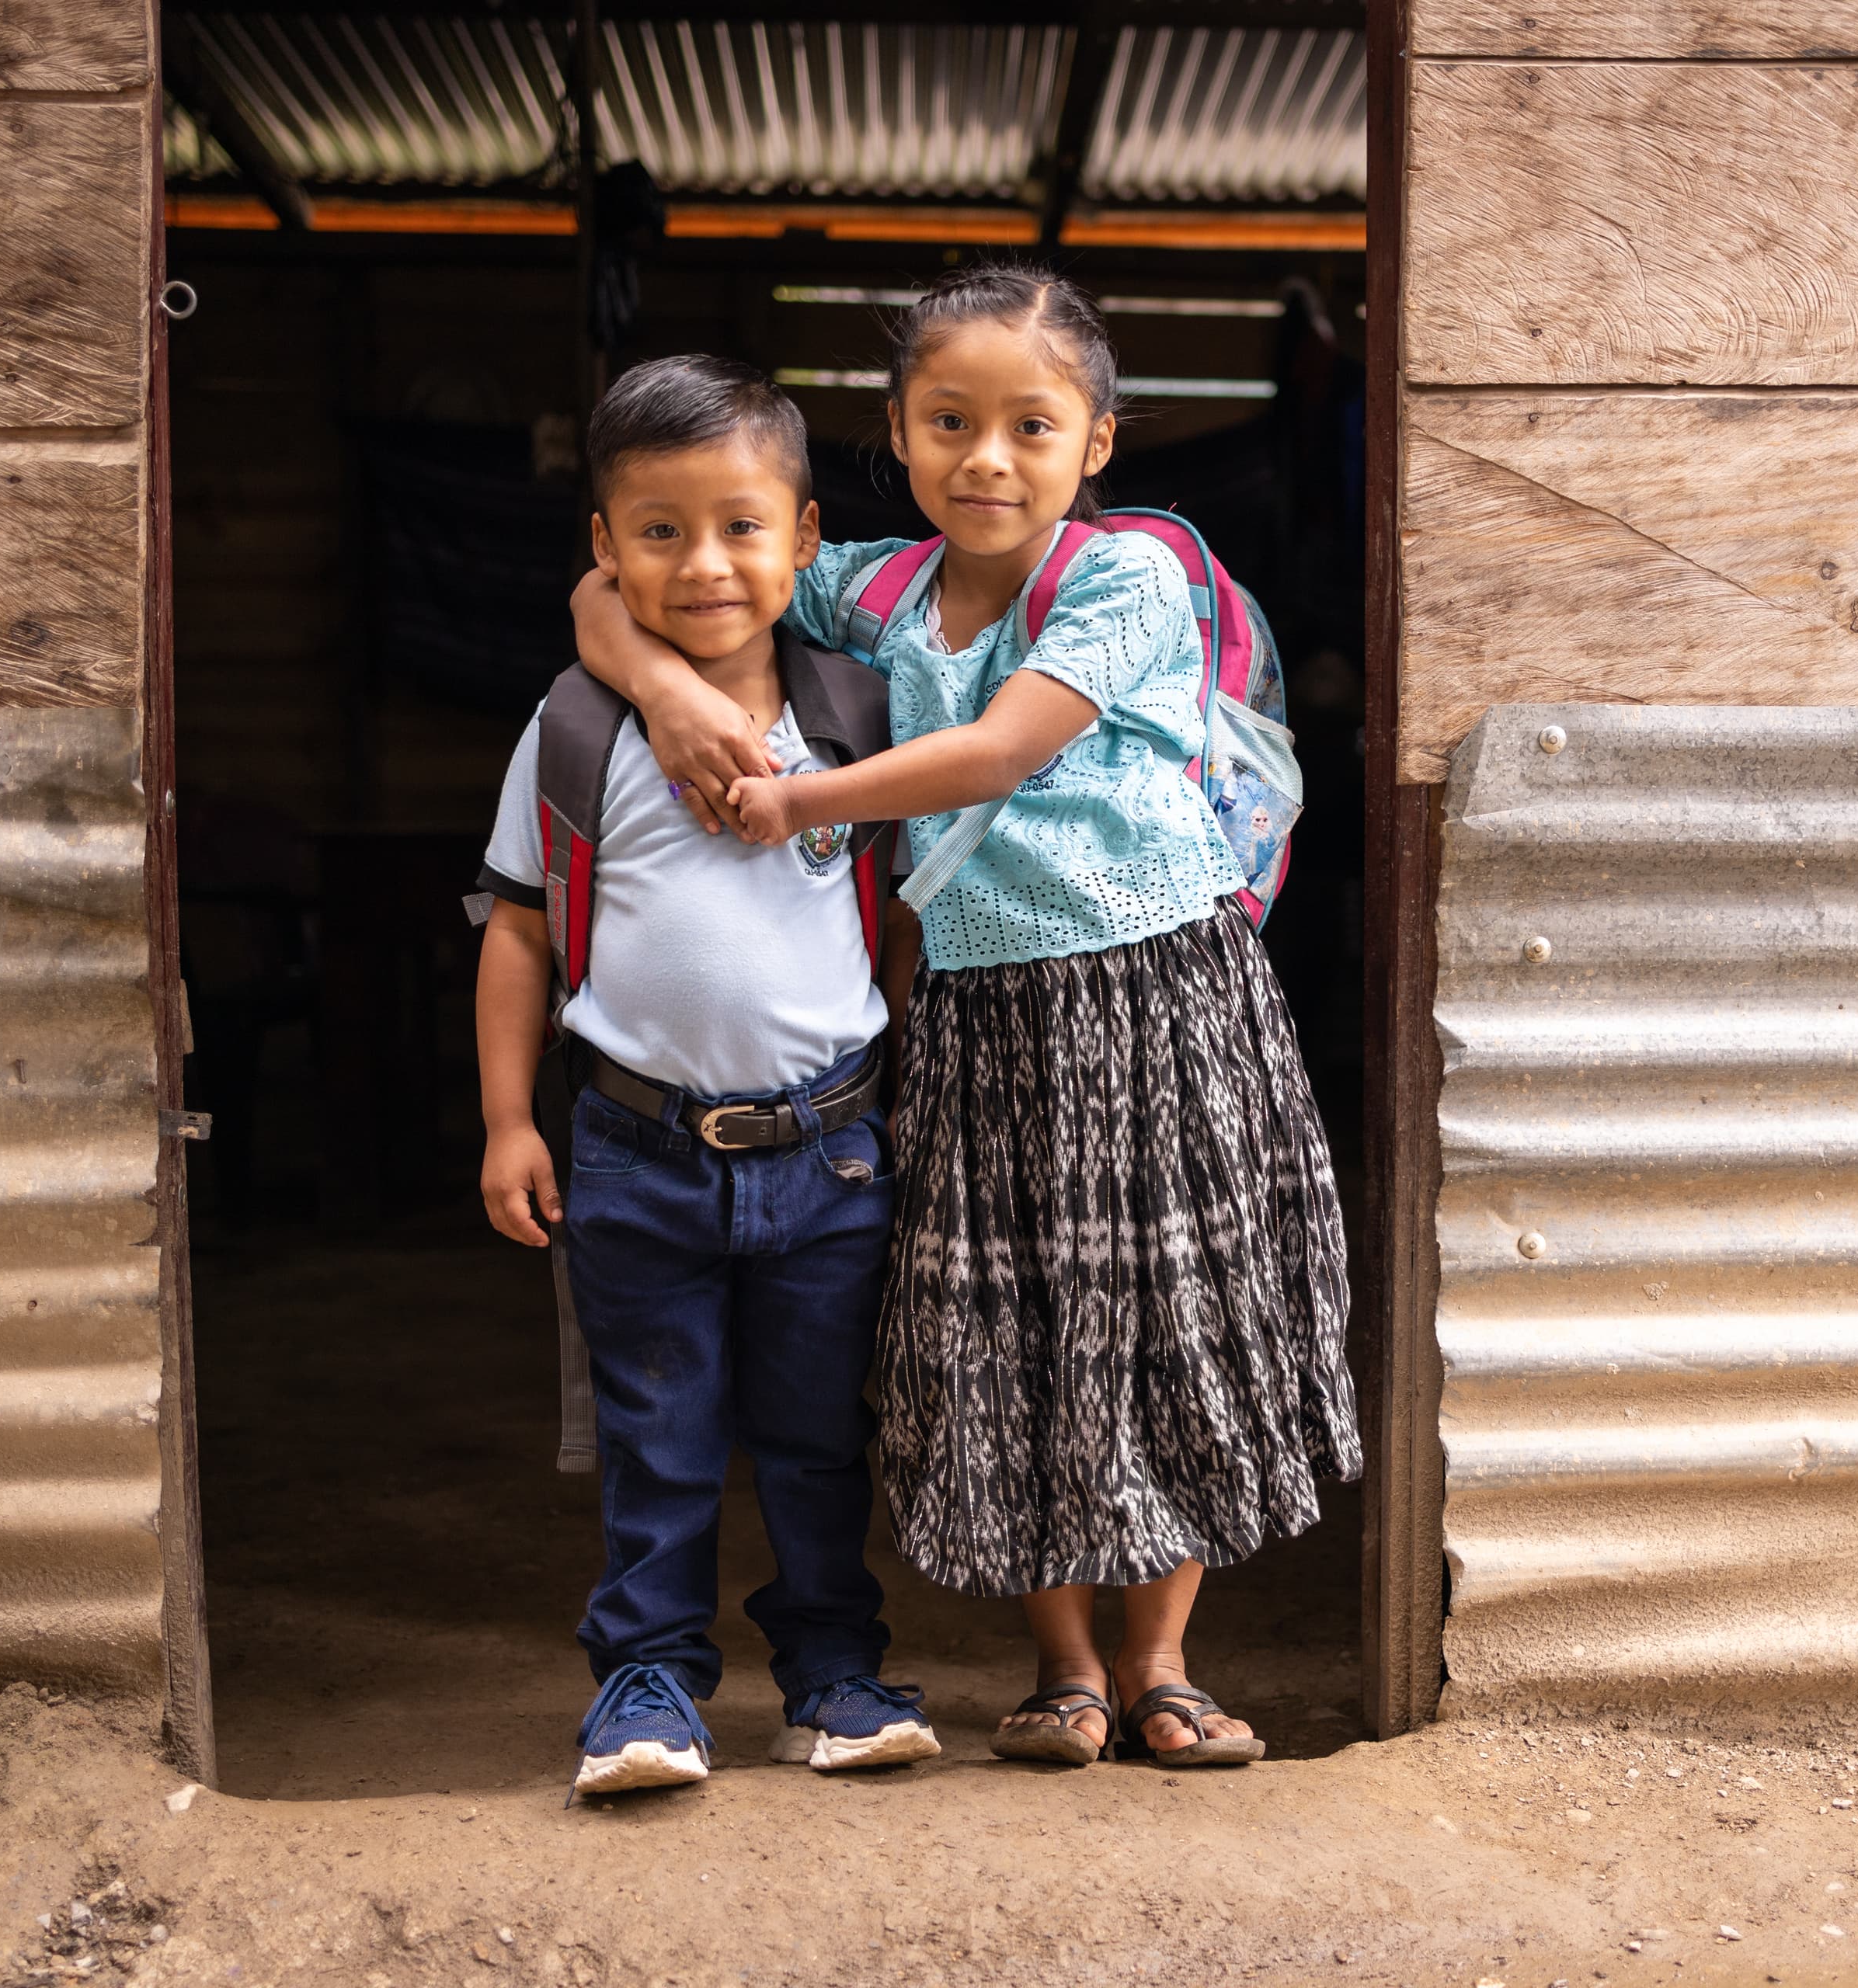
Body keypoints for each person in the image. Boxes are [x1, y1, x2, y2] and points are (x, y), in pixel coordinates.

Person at [572, 266, 1359, 1768]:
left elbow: (998, 751)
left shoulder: (1125, 578)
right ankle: (1062, 1674)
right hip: (980, 1027)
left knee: (1164, 1321)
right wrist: (670, 697)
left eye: (1030, 426)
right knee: (1010, 1334)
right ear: (898, 432)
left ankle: (1164, 1665)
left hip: (1158, 1006)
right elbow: (606, 588)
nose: (986, 458)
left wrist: (795, 799)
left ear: (1097, 446)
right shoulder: (864, 583)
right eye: (950, 422)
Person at [475, 355, 935, 1794]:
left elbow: (911, 918)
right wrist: (506, 1122)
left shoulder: (863, 712)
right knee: (656, 1439)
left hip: (833, 1152)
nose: (706, 563)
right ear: (603, 552)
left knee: (816, 1441)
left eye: (744, 526)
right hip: (636, 1149)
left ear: (807, 540)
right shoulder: (576, 724)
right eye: (659, 531)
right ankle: (648, 1690)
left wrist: (899, 1089)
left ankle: (836, 1678)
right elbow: (517, 936)